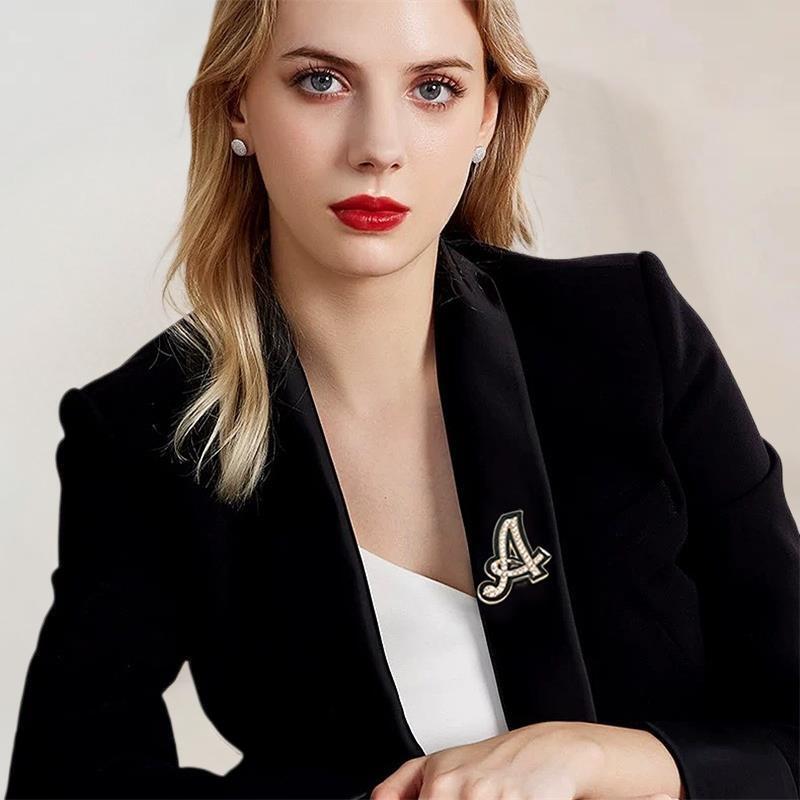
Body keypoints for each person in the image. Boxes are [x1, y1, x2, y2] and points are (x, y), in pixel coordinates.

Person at [6, 1, 798, 799]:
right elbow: (64, 780)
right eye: (321, 82)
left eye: (433, 89)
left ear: (487, 115)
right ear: (237, 104)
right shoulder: (143, 429)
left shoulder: (631, 334)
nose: (378, 149)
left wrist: (602, 761)